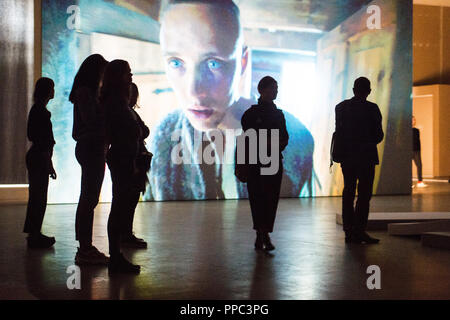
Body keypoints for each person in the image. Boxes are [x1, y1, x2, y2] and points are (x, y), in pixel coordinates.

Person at [145, 0, 314, 201]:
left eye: (213, 63)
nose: (194, 91)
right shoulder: (163, 139)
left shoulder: (296, 139)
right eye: (175, 62)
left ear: (242, 63)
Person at [69, 54, 110, 265]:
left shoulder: (85, 92)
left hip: (91, 147)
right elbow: (92, 121)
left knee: (89, 197)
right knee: (89, 198)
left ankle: (85, 245)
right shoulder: (86, 93)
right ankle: (84, 248)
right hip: (91, 147)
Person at [102, 60, 140, 274]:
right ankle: (115, 256)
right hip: (121, 158)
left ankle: (116, 255)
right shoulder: (115, 102)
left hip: (123, 158)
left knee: (121, 206)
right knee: (119, 207)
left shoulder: (117, 101)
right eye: (127, 73)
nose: (131, 76)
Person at [335, 77, 384, 244]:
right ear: (368, 91)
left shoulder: (341, 107)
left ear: (353, 89)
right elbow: (379, 135)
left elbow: (339, 133)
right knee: (364, 195)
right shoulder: (372, 109)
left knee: (348, 191)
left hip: (347, 157)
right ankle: (359, 230)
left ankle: (349, 231)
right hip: (366, 158)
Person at [241, 76, 288, 251]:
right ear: (262, 90)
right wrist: (270, 141)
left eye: (276, 88)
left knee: (270, 199)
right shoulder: (251, 114)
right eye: (273, 88)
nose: (276, 91)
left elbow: (284, 138)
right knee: (258, 199)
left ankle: (263, 234)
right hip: (256, 162)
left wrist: (266, 141)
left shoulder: (278, 114)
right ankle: (262, 234)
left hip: (272, 161)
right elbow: (249, 138)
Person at [23, 77, 57, 248]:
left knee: (36, 196)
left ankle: (33, 233)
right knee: (39, 197)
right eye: (52, 88)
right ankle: (35, 234)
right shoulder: (41, 113)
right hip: (39, 158)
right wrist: (49, 163)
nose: (54, 91)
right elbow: (44, 141)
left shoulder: (37, 110)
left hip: (36, 156)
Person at [120, 83, 151, 249]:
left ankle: (125, 233)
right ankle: (125, 234)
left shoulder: (129, 113)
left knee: (128, 199)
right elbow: (143, 131)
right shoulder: (128, 113)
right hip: (132, 159)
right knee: (128, 198)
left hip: (133, 158)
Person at [412, 116, 426, 188]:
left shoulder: (416, 130)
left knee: (419, 165)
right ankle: (408, 183)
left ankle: (420, 181)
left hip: (416, 150)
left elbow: (417, 141)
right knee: (408, 167)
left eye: (414, 120)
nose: (414, 121)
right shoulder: (406, 130)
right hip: (408, 150)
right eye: (412, 120)